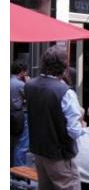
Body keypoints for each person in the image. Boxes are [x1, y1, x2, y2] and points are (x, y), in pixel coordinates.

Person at [25, 45, 83, 190]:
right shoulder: (65, 92)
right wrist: (83, 127)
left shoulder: (29, 85)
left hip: (38, 152)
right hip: (59, 156)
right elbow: (74, 132)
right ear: (64, 66)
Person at [10, 59, 29, 167]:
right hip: (19, 114)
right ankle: (19, 172)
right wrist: (28, 83)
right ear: (21, 71)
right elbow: (30, 97)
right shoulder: (21, 84)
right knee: (22, 143)